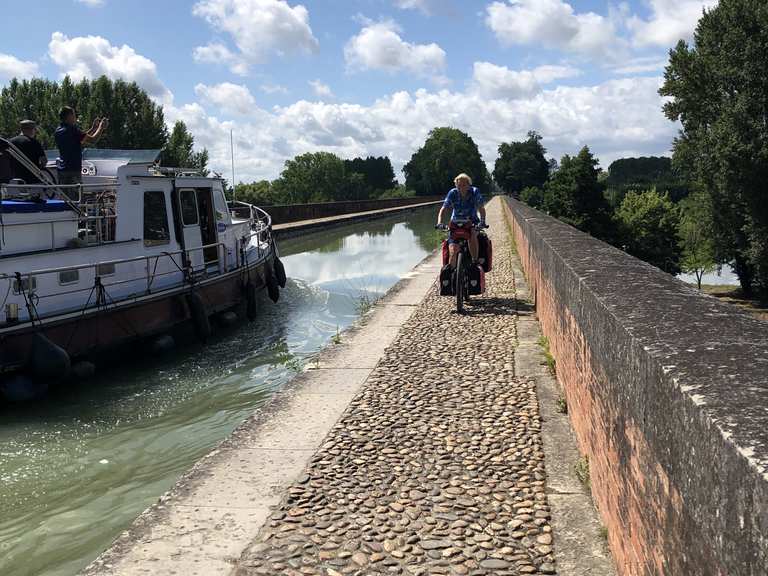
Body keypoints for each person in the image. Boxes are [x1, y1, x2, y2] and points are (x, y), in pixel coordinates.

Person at [436, 173, 486, 267]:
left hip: (472, 221)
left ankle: (475, 262)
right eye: (459, 186)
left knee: (472, 235)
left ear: (469, 184)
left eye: (464, 185)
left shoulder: (474, 192)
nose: (461, 188)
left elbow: (481, 208)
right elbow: (444, 208)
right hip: (455, 222)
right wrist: (439, 222)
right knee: (452, 250)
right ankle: (453, 274)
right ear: (456, 185)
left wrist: (482, 221)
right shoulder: (453, 193)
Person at [54, 106, 108, 186]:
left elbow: (80, 140)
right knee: (76, 197)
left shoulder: (58, 130)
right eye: (74, 115)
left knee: (64, 197)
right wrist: (101, 127)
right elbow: (93, 140)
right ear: (69, 116)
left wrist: (93, 128)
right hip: (73, 170)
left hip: (62, 170)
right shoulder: (72, 129)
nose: (75, 117)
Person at [9, 120, 47, 184]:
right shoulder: (34, 142)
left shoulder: (10, 142)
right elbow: (44, 161)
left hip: (15, 179)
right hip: (32, 179)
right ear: (32, 130)